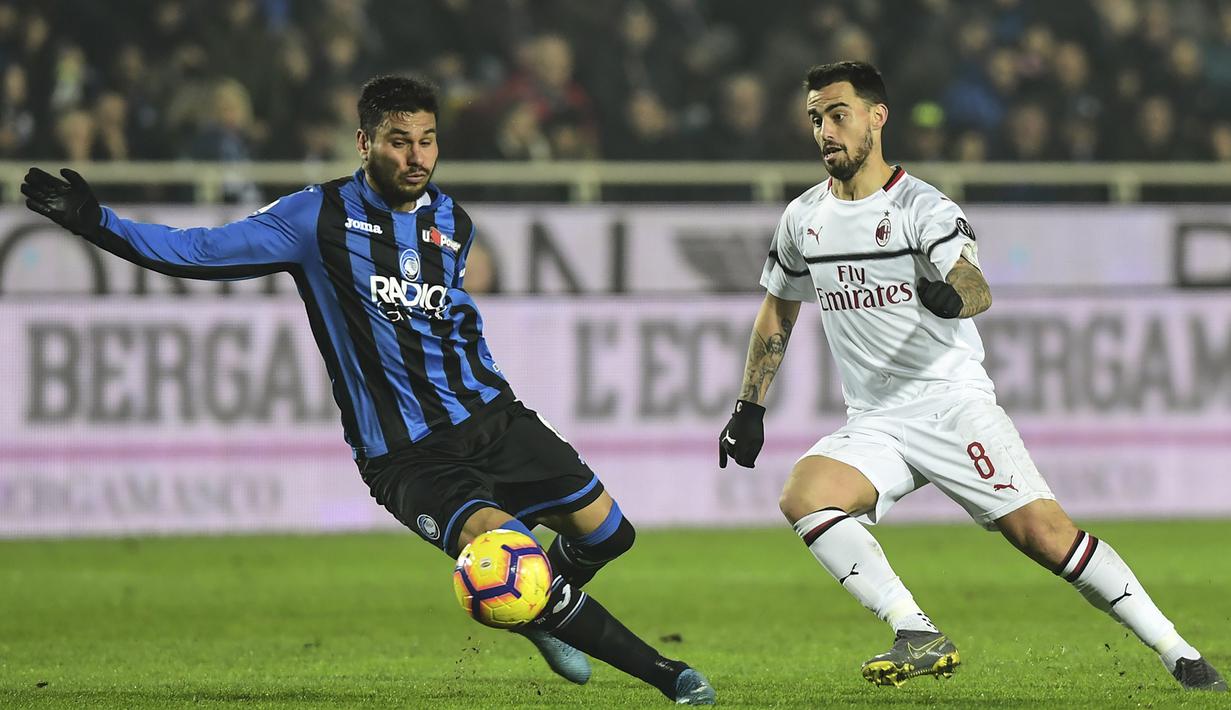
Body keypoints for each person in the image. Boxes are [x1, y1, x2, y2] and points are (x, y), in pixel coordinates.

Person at [22, 74, 714, 706]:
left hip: (495, 418)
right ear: (364, 143)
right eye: (398, 141)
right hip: (408, 454)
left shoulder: (452, 223)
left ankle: (539, 607)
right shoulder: (314, 218)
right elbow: (200, 252)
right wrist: (98, 223)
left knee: (611, 534)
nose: (416, 156)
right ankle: (670, 677)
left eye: (427, 140)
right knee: (509, 557)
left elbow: (444, 320)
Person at [718, 61, 1226, 693]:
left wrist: (952, 298)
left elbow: (971, 280)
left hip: (952, 406)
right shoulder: (803, 219)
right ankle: (915, 630)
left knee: (1045, 536)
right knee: (804, 493)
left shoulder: (921, 207)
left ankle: (1180, 653)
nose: (826, 130)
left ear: (878, 118)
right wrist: (749, 407)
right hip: (876, 419)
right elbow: (778, 308)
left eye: (839, 114)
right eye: (816, 118)